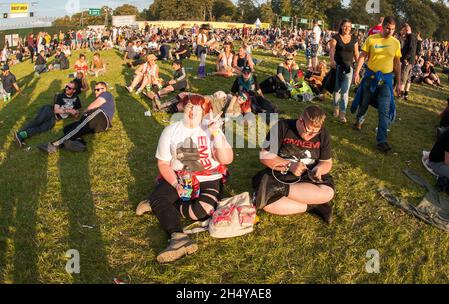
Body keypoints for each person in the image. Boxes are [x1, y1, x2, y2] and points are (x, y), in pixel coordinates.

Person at [135, 94, 233, 263]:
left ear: (204, 111)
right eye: (189, 106)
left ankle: (157, 203)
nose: (193, 111)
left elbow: (226, 159)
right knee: (161, 196)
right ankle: (178, 238)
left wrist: (216, 133)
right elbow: (164, 164)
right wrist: (175, 184)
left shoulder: (210, 127)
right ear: (182, 107)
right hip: (181, 176)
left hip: (208, 177)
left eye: (198, 108)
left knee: (199, 212)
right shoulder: (171, 130)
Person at [252, 105, 334, 223]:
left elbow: (326, 162)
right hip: (282, 174)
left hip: (308, 176)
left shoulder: (323, 134)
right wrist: (289, 165)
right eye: (308, 131)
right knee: (267, 205)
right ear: (300, 121)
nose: (311, 136)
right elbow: (264, 156)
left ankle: (279, 189)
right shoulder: (282, 126)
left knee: (328, 193)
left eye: (315, 132)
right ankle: (314, 205)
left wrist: (319, 169)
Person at [351, 16, 402, 153]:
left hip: (386, 81)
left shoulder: (396, 43)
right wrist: (356, 73)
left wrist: (399, 83)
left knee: (384, 110)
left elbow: (397, 63)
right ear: (383, 26)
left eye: (392, 29)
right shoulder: (371, 39)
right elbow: (362, 56)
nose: (390, 31)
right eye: (387, 28)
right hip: (370, 77)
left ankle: (382, 141)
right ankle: (359, 119)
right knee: (364, 103)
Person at [37, 82, 114, 154]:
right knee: (67, 128)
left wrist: (84, 113)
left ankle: (54, 145)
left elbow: (93, 106)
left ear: (104, 89)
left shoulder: (106, 94)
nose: (95, 92)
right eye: (94, 90)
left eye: (97, 89)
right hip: (99, 122)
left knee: (78, 127)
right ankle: (79, 144)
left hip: (101, 116)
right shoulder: (104, 95)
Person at [14, 82, 81, 148]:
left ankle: (21, 136)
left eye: (69, 88)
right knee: (38, 121)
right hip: (49, 111)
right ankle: (19, 134)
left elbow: (77, 111)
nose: (66, 88)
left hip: (54, 119)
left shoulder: (76, 98)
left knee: (40, 129)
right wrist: (69, 110)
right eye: (66, 86)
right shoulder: (61, 96)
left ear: (74, 90)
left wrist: (75, 112)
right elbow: (56, 110)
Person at [329, 19, 359, 123]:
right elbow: (332, 50)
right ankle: (336, 108)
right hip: (338, 66)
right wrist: (332, 60)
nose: (347, 28)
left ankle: (342, 113)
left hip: (349, 68)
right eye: (345, 26)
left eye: (349, 27)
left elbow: (356, 54)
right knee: (337, 89)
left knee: (345, 91)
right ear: (341, 26)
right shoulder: (335, 38)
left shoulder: (354, 39)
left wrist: (358, 69)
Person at [399, 23, 417, 100]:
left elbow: (411, 49)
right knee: (408, 77)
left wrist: (406, 58)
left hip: (408, 61)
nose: (402, 32)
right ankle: (406, 94)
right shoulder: (413, 37)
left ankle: (401, 94)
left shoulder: (411, 37)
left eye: (403, 30)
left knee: (404, 76)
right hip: (411, 60)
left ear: (406, 30)